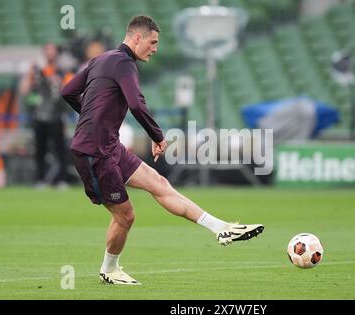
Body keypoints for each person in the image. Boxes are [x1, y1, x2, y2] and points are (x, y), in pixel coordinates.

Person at [61, 15, 264, 285]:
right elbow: (136, 103)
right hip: (94, 154)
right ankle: (109, 269)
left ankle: (221, 228)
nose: (155, 48)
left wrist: (92, 116)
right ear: (136, 38)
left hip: (109, 146)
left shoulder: (102, 59)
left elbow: (68, 92)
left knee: (159, 183)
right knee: (126, 216)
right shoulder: (125, 64)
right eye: (153, 42)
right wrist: (157, 136)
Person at [20, 43, 73, 188]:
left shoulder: (63, 71)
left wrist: (56, 80)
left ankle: (61, 180)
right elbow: (24, 91)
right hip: (39, 116)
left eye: (52, 50)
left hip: (57, 116)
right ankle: (40, 179)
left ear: (57, 53)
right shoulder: (37, 71)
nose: (50, 53)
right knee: (40, 149)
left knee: (60, 149)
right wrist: (30, 74)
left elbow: (70, 91)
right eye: (47, 50)